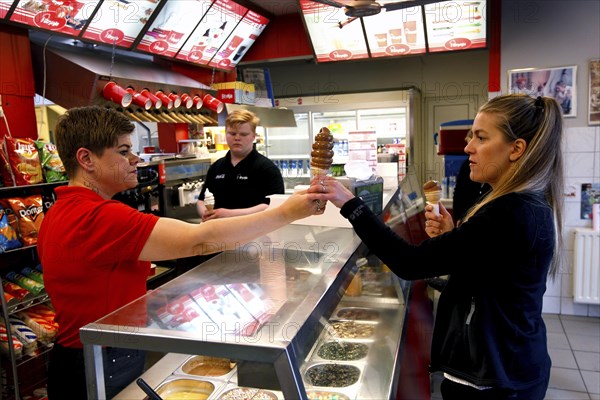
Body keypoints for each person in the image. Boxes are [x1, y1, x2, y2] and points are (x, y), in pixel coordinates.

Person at [36, 106, 323, 400]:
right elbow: (199, 241)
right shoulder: (100, 216)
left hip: (76, 357)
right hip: (102, 358)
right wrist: (287, 212)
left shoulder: (59, 210)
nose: (135, 159)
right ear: (86, 159)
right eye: (123, 151)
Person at [310, 94, 564, 400]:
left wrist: (351, 204)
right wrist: (456, 235)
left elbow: (409, 262)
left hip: (494, 377)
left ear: (516, 149)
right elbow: (494, 271)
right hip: (512, 360)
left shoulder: (508, 211)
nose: (468, 147)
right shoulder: (524, 202)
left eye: (481, 138)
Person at [197, 109, 284, 221]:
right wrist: (206, 214)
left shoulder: (266, 168)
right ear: (226, 134)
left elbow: (273, 205)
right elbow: (201, 200)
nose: (237, 138)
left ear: (253, 136)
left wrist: (229, 214)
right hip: (219, 233)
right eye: (232, 133)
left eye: (243, 134)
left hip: (255, 234)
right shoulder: (216, 167)